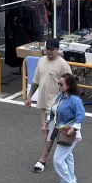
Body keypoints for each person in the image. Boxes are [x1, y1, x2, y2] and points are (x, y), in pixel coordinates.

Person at [25, 38, 73, 173]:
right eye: (47, 49)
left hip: (56, 104)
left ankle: (43, 159)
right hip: (43, 102)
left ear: (58, 49)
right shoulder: (41, 61)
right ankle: (65, 151)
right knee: (50, 132)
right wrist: (29, 97)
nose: (49, 51)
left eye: (52, 49)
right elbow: (36, 81)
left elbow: (70, 86)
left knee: (51, 132)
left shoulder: (63, 65)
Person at [47, 73, 85, 183]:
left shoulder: (75, 100)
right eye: (58, 83)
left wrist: (74, 129)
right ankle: (71, 180)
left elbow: (81, 116)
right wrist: (46, 123)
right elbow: (54, 111)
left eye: (61, 84)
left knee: (57, 160)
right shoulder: (61, 97)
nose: (59, 86)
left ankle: (66, 182)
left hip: (69, 133)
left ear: (68, 85)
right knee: (68, 156)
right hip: (61, 131)